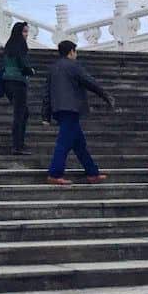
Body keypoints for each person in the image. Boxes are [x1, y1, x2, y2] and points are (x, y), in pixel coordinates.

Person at [42, 40, 116, 185]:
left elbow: (47, 93)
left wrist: (46, 115)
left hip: (59, 109)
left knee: (79, 144)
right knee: (63, 143)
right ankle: (55, 173)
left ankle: (92, 172)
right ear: (71, 52)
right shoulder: (73, 66)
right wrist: (106, 96)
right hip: (71, 108)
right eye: (75, 51)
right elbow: (89, 82)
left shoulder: (53, 68)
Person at [1, 22, 34, 155]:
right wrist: (30, 71)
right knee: (20, 114)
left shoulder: (9, 46)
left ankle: (19, 143)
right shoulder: (21, 46)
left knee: (23, 113)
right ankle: (17, 146)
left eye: (27, 32)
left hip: (7, 82)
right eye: (24, 32)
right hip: (18, 82)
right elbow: (23, 65)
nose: (26, 35)